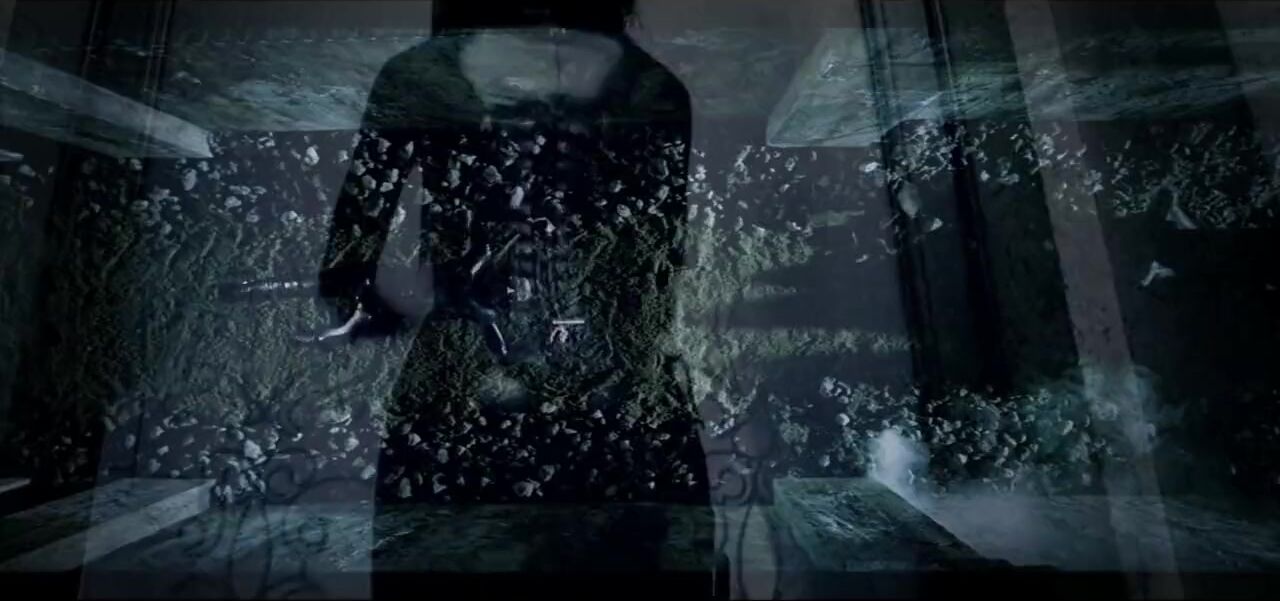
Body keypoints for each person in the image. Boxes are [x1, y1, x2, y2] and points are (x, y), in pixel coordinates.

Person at [317, 0, 715, 585]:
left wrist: (393, 296)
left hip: (532, 410)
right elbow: (660, 269)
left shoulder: (652, 90)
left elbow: (658, 269)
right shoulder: (654, 87)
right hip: (585, 413)